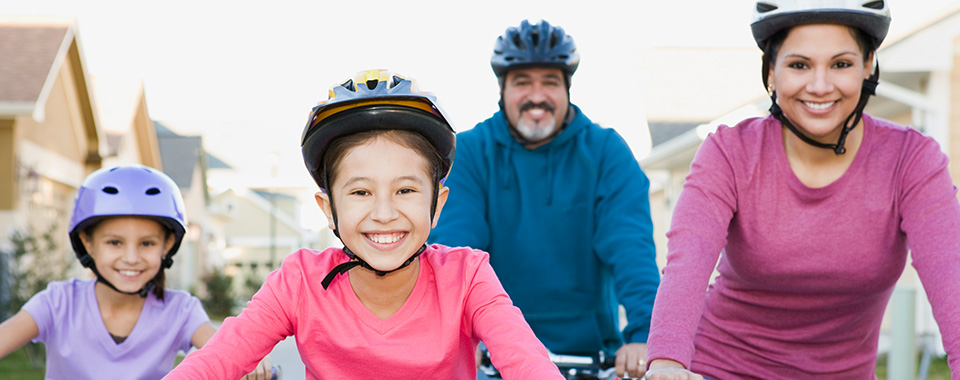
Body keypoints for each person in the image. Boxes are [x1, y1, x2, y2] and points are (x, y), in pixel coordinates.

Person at [163, 69, 564, 379]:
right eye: (360, 193)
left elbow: (523, 358)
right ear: (327, 206)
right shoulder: (300, 281)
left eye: (406, 191)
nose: (384, 213)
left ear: (437, 204)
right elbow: (217, 359)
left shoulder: (467, 275)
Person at [644, 1, 960, 379]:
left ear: (868, 66)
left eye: (841, 64)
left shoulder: (912, 161)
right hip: (718, 370)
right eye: (799, 65)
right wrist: (667, 363)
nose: (820, 86)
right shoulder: (730, 153)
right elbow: (687, 264)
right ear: (771, 72)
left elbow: (951, 273)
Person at [429, 19, 660, 379]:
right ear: (502, 90)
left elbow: (631, 248)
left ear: (567, 88)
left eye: (550, 82)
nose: (536, 96)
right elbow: (455, 251)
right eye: (522, 82)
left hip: (590, 353)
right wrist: (453, 334)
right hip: (494, 350)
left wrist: (645, 334)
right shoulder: (471, 151)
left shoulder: (605, 152)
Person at [0, 164, 272, 380]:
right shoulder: (57, 302)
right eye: (114, 242)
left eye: (147, 243)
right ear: (87, 242)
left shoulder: (180, 311)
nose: (131, 258)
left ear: (167, 245)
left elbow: (224, 348)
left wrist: (248, 357)